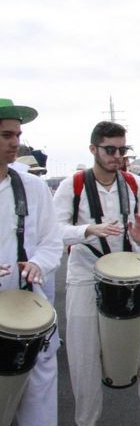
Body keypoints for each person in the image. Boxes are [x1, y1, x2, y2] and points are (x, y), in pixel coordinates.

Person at [53, 121, 140, 426]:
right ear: (93, 149)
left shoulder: (134, 184)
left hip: (130, 275)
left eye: (122, 149)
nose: (117, 155)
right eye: (110, 149)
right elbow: (53, 232)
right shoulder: (73, 185)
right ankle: (86, 420)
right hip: (85, 273)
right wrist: (87, 229)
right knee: (83, 351)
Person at [0, 98, 61, 426]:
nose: (15, 142)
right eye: (6, 135)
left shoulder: (33, 188)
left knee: (39, 402)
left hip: (29, 314)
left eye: (17, 134)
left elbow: (52, 242)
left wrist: (39, 262)